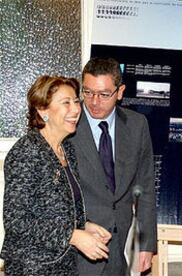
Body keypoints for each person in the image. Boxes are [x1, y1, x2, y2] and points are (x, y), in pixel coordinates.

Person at [1, 75, 112, 275]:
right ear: (43, 110)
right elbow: (16, 222)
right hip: (32, 267)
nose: (76, 109)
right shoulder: (27, 152)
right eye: (66, 103)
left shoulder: (66, 149)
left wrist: (84, 226)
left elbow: (59, 212)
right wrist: (73, 236)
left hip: (64, 265)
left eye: (76, 102)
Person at [70, 57, 157, 275]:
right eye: (88, 92)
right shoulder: (67, 124)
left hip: (119, 245)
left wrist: (146, 244)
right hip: (77, 246)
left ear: (120, 92)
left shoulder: (137, 125)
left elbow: (145, 188)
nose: (94, 102)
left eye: (104, 94)